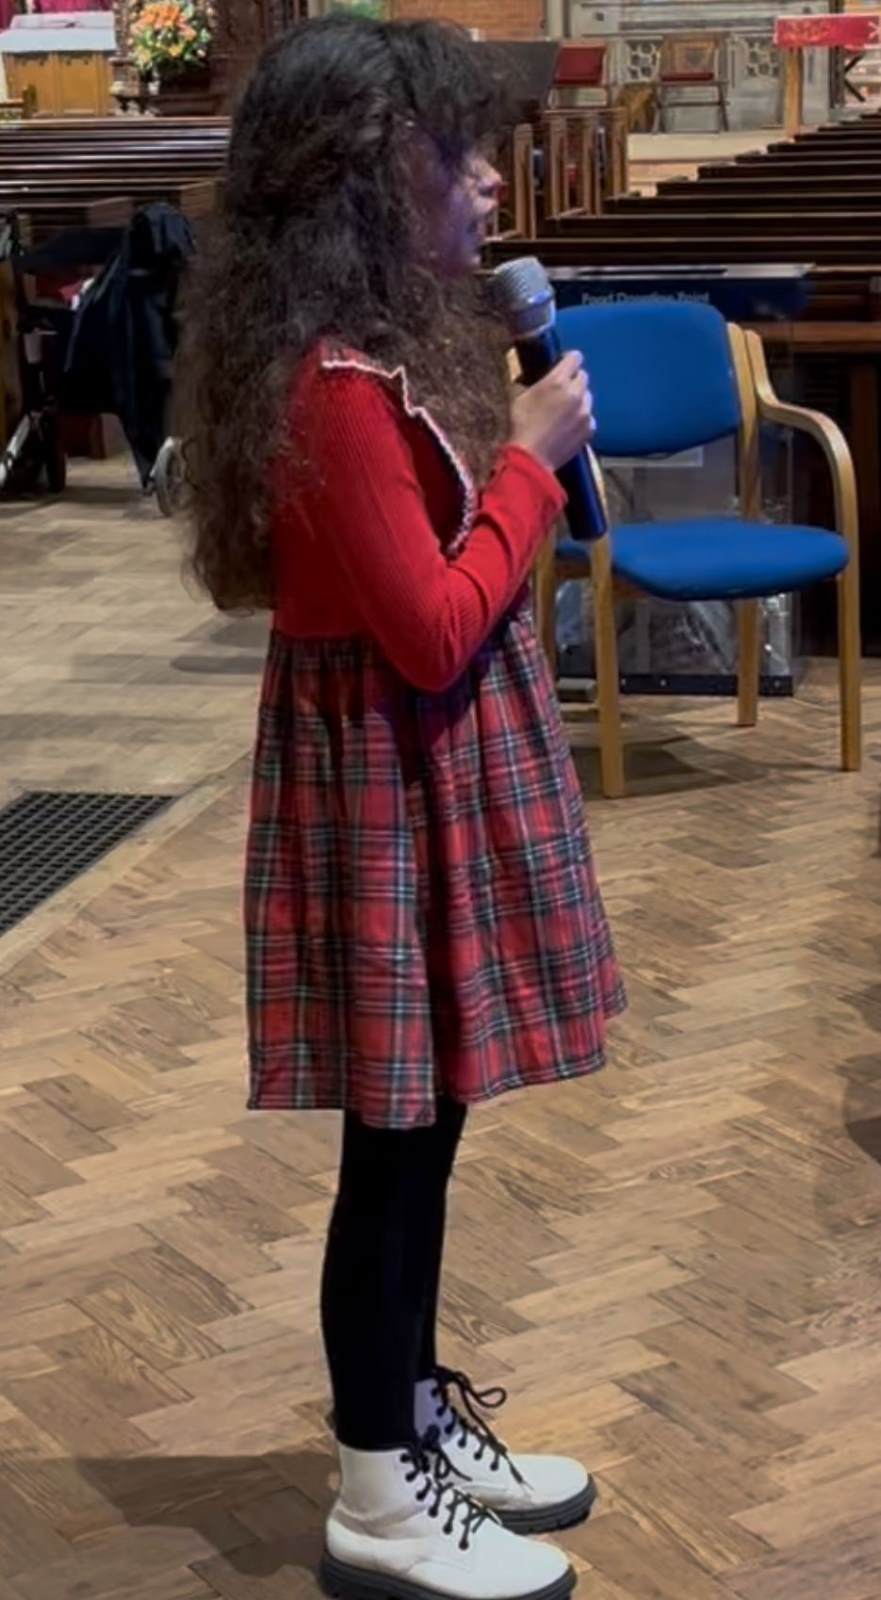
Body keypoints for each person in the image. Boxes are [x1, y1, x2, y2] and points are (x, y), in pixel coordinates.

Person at [180, 16, 625, 1600]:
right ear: (365, 181)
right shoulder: (334, 387)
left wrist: (521, 460)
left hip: (425, 763)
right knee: (394, 1141)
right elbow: (431, 627)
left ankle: (415, 1414)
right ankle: (375, 1487)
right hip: (383, 772)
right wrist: (530, 461)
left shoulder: (389, 346)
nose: (490, 182)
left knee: (427, 1129)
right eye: (456, 155)